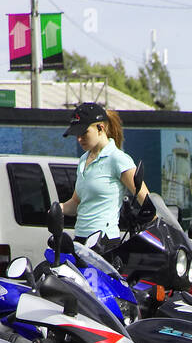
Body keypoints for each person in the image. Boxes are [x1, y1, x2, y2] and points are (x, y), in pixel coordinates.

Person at [61, 101, 150, 242]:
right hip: (80, 240)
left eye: (84, 133)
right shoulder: (83, 160)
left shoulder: (118, 158)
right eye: (76, 134)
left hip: (104, 242)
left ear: (100, 128)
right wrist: (58, 208)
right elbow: (76, 202)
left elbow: (146, 200)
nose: (79, 139)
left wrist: (158, 225)